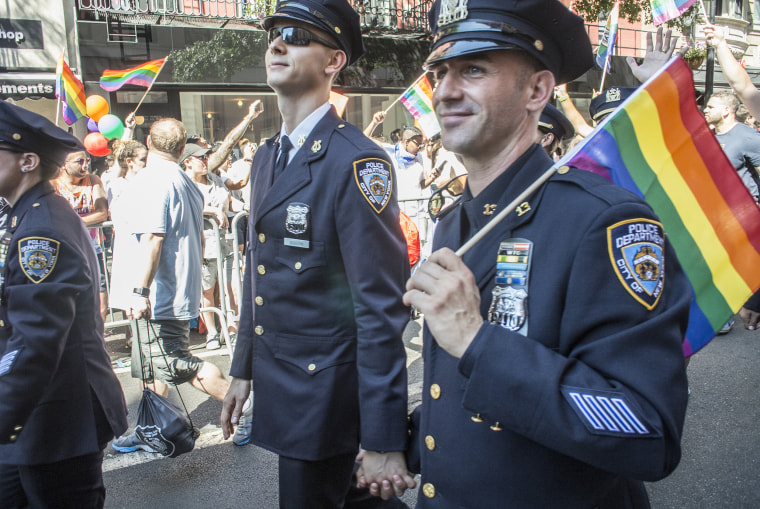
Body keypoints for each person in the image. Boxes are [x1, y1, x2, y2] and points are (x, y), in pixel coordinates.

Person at [370, 1, 692, 506]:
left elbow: (646, 432)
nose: (447, 91)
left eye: (473, 69)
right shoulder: (456, 222)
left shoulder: (607, 222)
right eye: (440, 72)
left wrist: (477, 340)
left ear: (537, 91)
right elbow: (462, 395)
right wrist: (396, 446)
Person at [220, 0, 414, 505]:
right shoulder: (266, 158)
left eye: (297, 35)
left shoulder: (356, 161)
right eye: (274, 34)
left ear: (334, 61)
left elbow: (378, 309)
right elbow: (257, 273)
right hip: (286, 383)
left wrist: (382, 437)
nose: (277, 43)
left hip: (329, 400)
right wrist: (243, 366)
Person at [0, 100, 128, 507]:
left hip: (57, 414)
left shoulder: (41, 229)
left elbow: (36, 340)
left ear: (27, 161)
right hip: (38, 410)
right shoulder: (28, 215)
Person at [111, 118, 231, 453]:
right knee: (152, 363)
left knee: (176, 362)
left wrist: (140, 290)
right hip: (167, 289)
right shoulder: (177, 177)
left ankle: (245, 408)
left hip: (160, 292)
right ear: (181, 149)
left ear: (148, 140)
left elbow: (153, 237)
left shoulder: (157, 179)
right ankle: (149, 426)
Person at [180, 143, 232, 350]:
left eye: (206, 157)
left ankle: (233, 329)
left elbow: (229, 202)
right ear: (188, 162)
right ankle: (212, 332)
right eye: (200, 158)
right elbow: (184, 205)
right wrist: (211, 211)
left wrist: (247, 207)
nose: (205, 161)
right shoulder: (182, 182)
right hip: (203, 245)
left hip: (226, 242)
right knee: (207, 291)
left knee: (233, 289)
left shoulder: (216, 179)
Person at [52, 150, 110, 324]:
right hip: (65, 250)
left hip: (93, 248)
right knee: (68, 297)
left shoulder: (93, 180)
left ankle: (100, 337)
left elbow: (102, 213)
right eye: (79, 161)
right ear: (64, 164)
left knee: (101, 297)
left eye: (87, 160)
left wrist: (73, 222)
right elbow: (54, 217)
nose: (85, 165)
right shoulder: (54, 183)